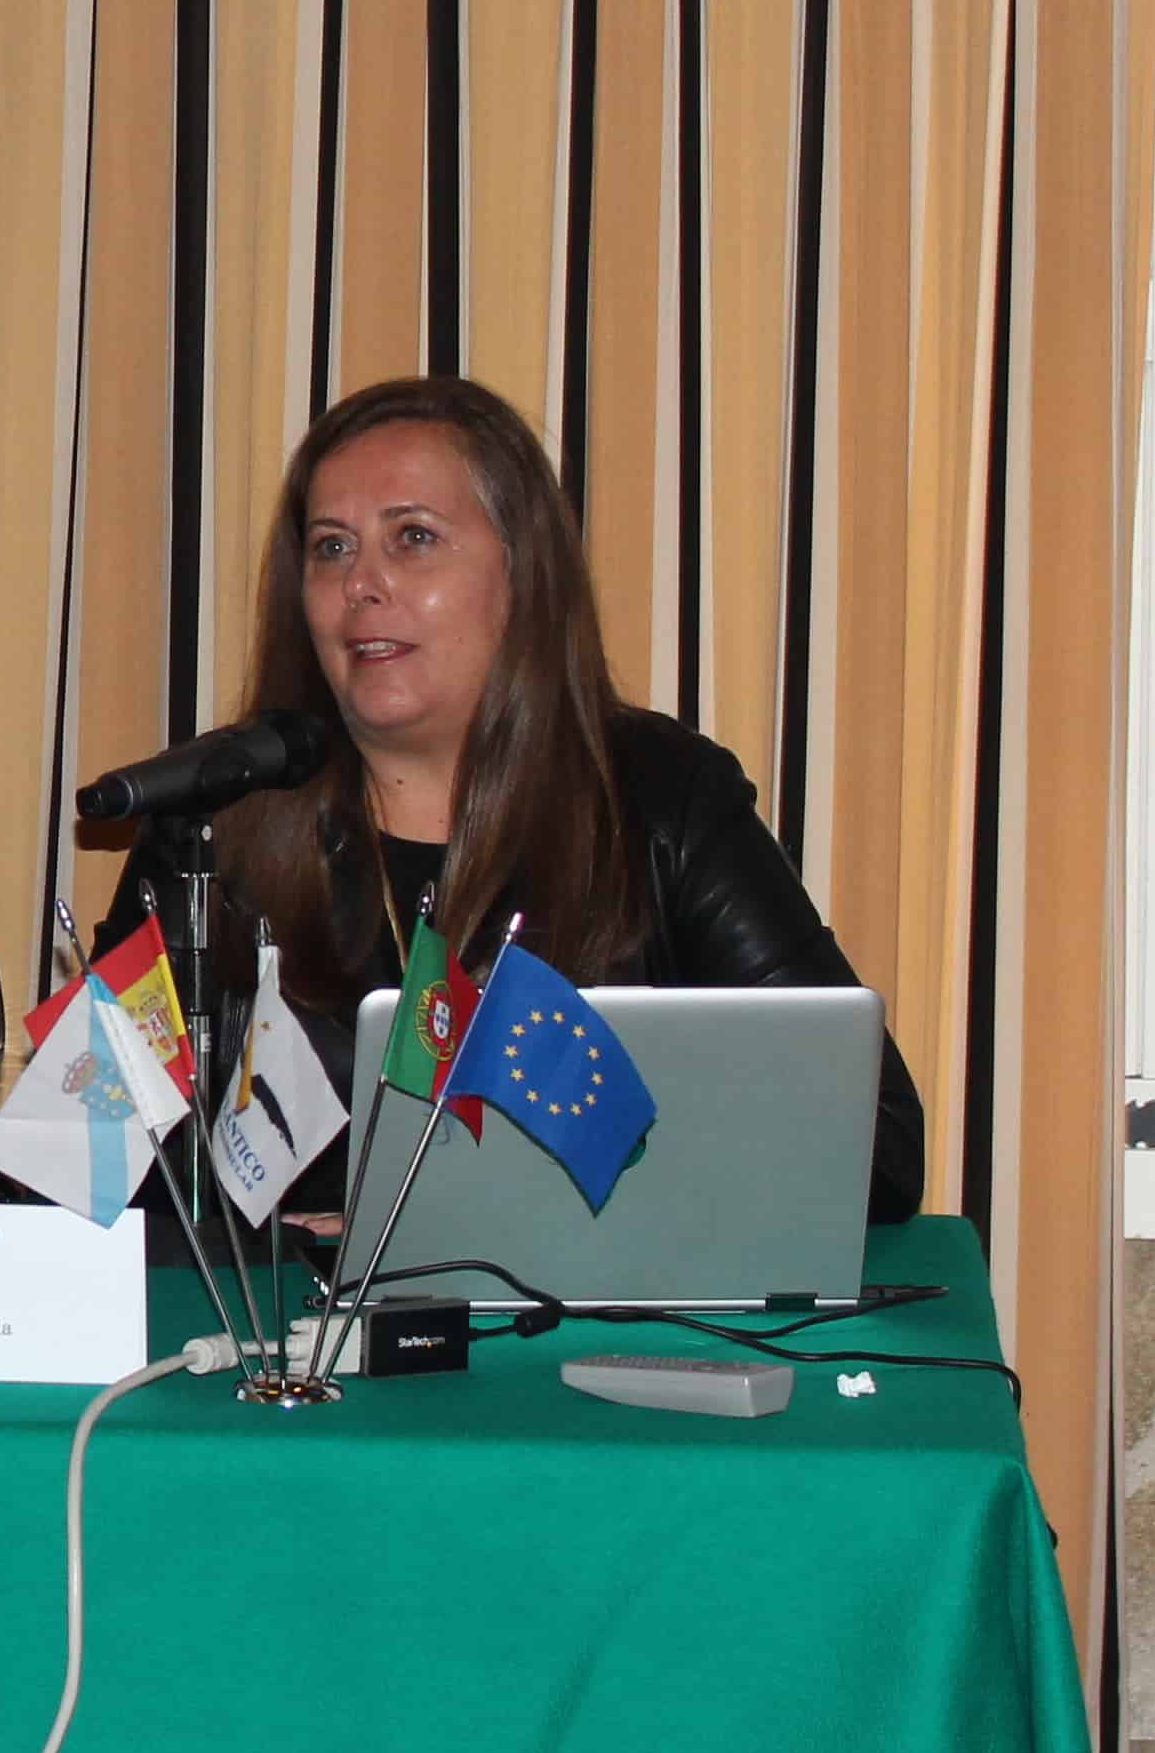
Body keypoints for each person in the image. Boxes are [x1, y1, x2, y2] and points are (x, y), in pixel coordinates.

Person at [139, 372, 928, 1223]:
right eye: (332, 548)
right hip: (290, 1311)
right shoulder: (221, 820)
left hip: (583, 1311)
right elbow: (85, 1167)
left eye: (413, 537)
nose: (361, 583)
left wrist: (473, 1217)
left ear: (522, 575)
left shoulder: (661, 799)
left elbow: (875, 1149)